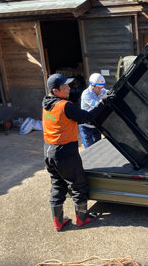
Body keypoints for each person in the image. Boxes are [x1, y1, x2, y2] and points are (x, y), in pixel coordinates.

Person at [42, 73, 110, 231]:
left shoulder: (47, 103)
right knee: (78, 184)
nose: (68, 89)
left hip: (48, 152)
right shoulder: (65, 106)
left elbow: (75, 119)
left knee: (58, 184)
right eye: (65, 87)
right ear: (55, 91)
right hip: (65, 152)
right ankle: (82, 218)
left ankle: (58, 222)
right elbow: (88, 117)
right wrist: (102, 102)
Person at [79, 73, 108, 148]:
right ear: (92, 86)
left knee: (97, 147)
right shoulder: (86, 94)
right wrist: (103, 100)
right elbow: (96, 105)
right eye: (99, 88)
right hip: (86, 127)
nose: (101, 90)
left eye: (102, 87)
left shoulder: (101, 90)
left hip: (96, 125)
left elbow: (109, 92)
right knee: (89, 149)